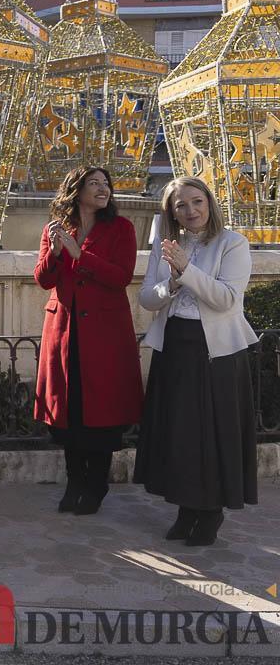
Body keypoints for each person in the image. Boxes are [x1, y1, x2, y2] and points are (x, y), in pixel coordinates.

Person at [135, 177, 257, 546]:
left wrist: (187, 270)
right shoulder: (166, 246)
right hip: (175, 345)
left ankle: (210, 511)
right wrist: (172, 283)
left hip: (216, 352)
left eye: (197, 201)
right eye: (181, 205)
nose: (190, 211)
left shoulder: (232, 243)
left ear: (209, 203)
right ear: (171, 213)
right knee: (178, 432)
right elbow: (147, 298)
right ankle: (185, 508)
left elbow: (226, 299)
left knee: (209, 433)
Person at [33, 166, 142, 515]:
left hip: (105, 335)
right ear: (75, 190)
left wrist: (80, 255)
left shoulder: (121, 228)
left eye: (106, 183)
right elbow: (43, 280)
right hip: (65, 332)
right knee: (70, 411)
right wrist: (55, 250)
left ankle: (96, 485)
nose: (103, 188)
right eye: (94, 183)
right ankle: (74, 482)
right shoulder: (56, 228)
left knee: (102, 413)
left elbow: (121, 277)